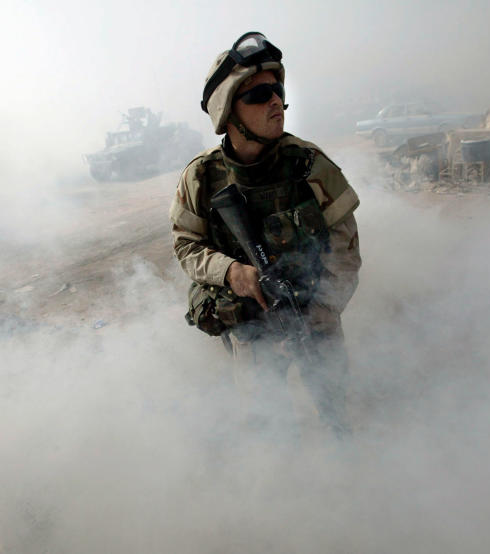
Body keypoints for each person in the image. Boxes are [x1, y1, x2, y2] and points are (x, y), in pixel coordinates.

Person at [169, 32, 361, 436]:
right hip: (252, 328)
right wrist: (231, 272)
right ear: (228, 112)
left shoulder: (309, 165)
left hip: (314, 317)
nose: (275, 101)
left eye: (277, 90)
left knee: (336, 410)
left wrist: (318, 314)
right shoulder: (201, 178)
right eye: (258, 96)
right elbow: (186, 246)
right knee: (270, 424)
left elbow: (345, 250)